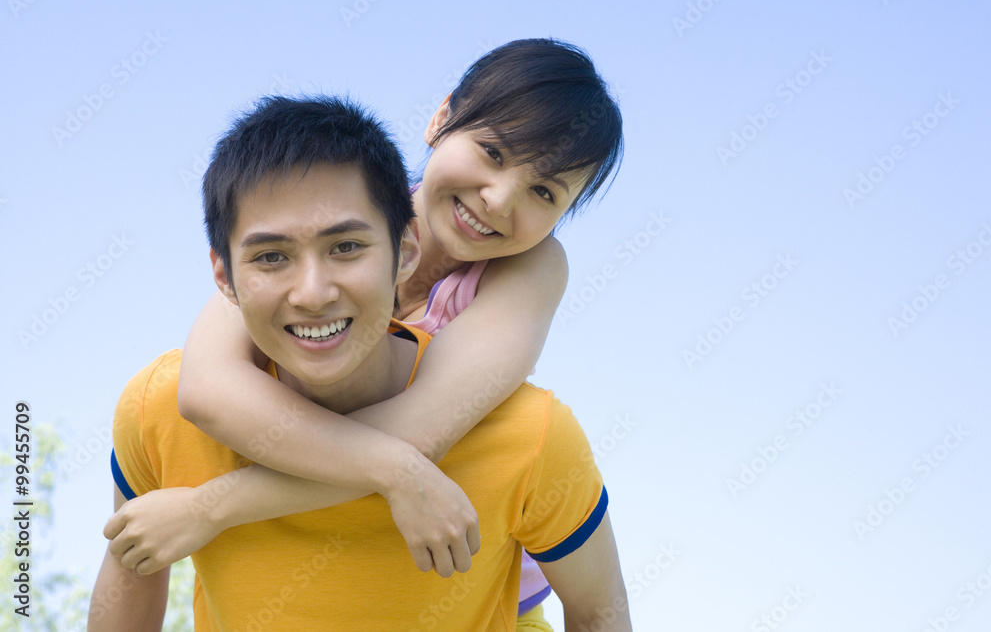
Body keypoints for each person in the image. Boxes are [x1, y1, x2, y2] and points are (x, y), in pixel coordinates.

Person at [101, 38, 624, 630]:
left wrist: (210, 507)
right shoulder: (326, 221)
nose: (499, 200)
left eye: (544, 192)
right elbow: (206, 391)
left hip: (476, 585)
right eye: (493, 153)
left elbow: (420, 431)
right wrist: (393, 470)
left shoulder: (531, 270)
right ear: (441, 118)